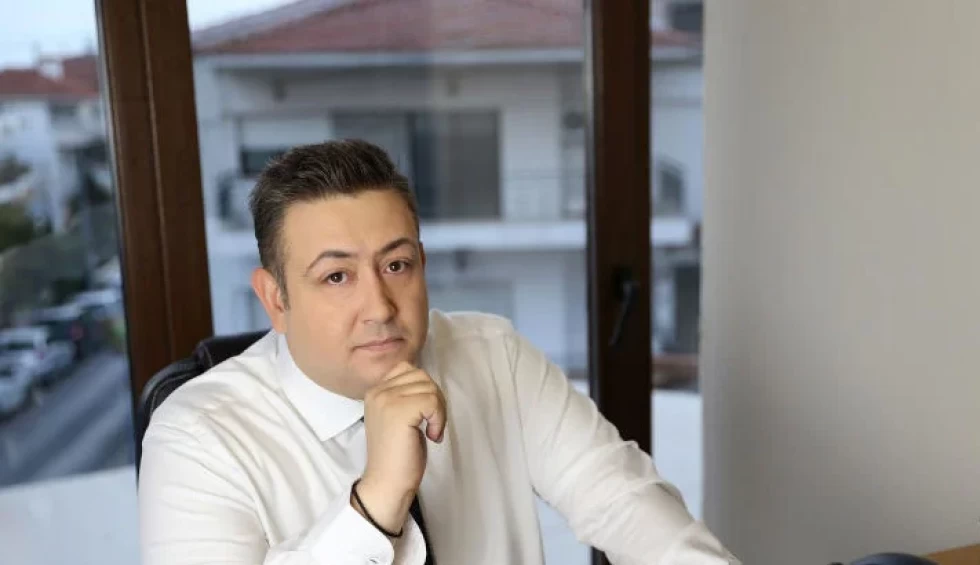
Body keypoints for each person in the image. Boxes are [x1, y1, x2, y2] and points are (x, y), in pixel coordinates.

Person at [138, 139, 739, 565]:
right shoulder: (195, 435)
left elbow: (626, 506)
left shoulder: (494, 356)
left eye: (397, 265)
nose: (379, 307)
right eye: (337, 277)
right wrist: (375, 502)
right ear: (276, 298)